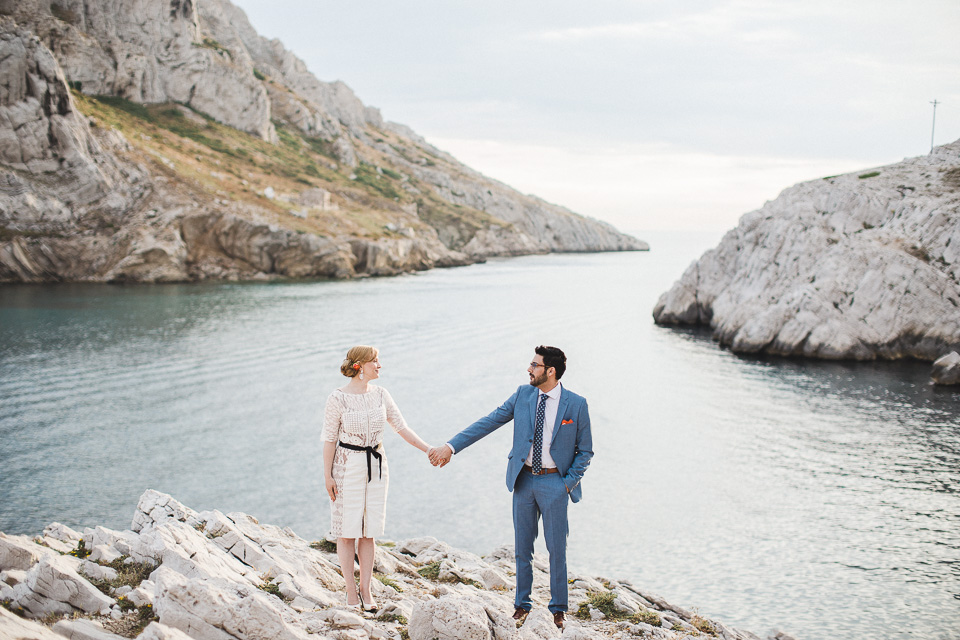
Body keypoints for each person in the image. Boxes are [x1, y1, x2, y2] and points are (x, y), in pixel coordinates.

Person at [428, 345, 593, 629]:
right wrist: (451, 447)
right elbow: (488, 422)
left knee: (557, 549)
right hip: (524, 480)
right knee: (522, 548)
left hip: (555, 482)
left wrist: (566, 484)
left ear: (550, 371)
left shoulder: (576, 404)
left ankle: (558, 609)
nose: (528, 369)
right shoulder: (522, 395)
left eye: (534, 365)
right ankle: (521, 605)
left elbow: (585, 451)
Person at [323, 345, 433, 611]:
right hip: (346, 466)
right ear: (360, 366)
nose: (380, 365)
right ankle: (350, 592)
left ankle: (366, 590)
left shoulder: (382, 395)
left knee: (369, 532)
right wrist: (327, 476)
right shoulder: (337, 398)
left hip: (377, 466)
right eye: (375, 361)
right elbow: (328, 439)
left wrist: (429, 449)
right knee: (346, 532)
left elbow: (401, 427)